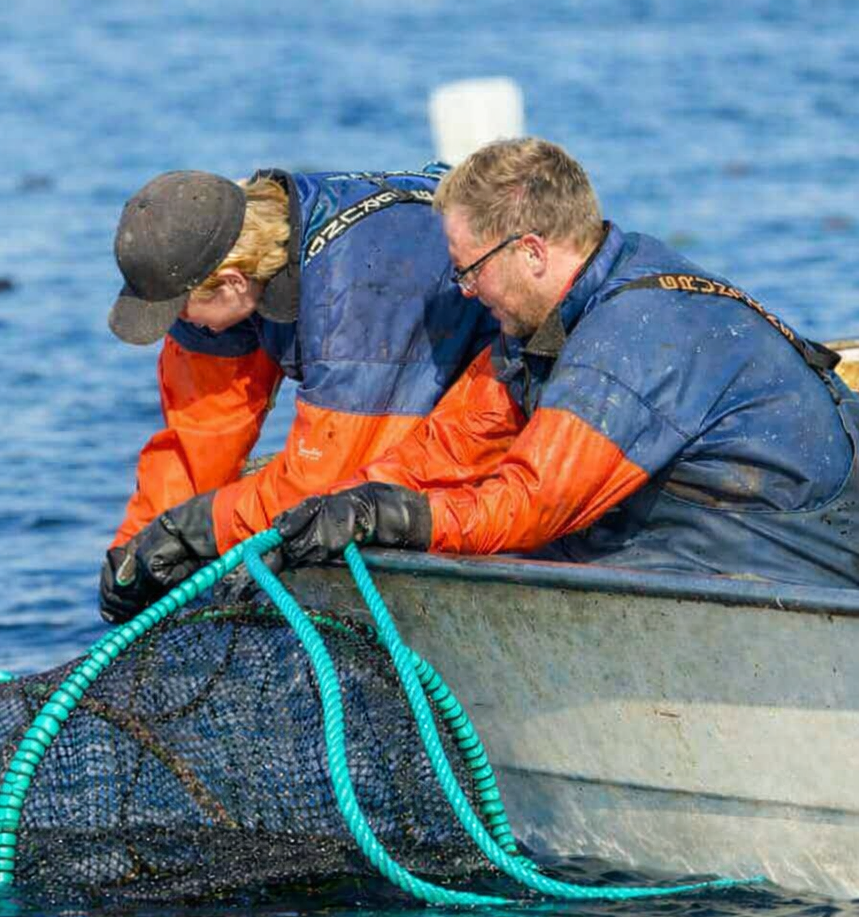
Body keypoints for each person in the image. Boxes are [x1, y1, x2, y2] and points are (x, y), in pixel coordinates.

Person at [272, 136, 859, 589]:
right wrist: (332, 507)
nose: (466, 290)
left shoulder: (628, 341)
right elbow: (450, 450)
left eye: (470, 269)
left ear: (530, 251)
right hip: (696, 527)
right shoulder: (552, 317)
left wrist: (398, 519)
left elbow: (532, 501)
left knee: (513, 548)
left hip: (784, 554)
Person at [100, 167, 497, 622]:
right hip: (392, 393)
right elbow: (200, 432)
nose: (181, 324)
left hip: (509, 407)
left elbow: (331, 481)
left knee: (342, 509)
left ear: (231, 281)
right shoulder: (232, 269)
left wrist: (198, 529)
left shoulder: (354, 294)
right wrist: (138, 545)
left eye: (180, 311)